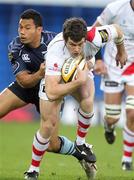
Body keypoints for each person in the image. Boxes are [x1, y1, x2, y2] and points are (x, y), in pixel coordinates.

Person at [24, 17, 127, 179]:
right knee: (48, 126)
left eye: (80, 44)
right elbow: (52, 91)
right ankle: (33, 169)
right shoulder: (55, 52)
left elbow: (117, 29)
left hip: (80, 68)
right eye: (72, 44)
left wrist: (121, 52)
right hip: (55, 78)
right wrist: (78, 81)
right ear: (65, 39)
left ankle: (80, 144)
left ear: (85, 38)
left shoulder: (96, 36)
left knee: (87, 97)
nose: (77, 49)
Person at [0, 9, 88, 179]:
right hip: (27, 87)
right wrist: (41, 73)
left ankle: (79, 153)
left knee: (52, 145)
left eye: (27, 28)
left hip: (50, 91)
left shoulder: (56, 41)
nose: (22, 32)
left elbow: (85, 42)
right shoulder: (16, 46)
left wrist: (91, 62)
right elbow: (23, 81)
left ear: (39, 29)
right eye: (20, 27)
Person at [93, 0, 134, 171]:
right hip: (113, 67)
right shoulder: (115, 8)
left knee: (132, 112)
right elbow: (93, 33)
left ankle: (126, 159)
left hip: (132, 67)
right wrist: (99, 60)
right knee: (113, 118)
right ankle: (109, 128)